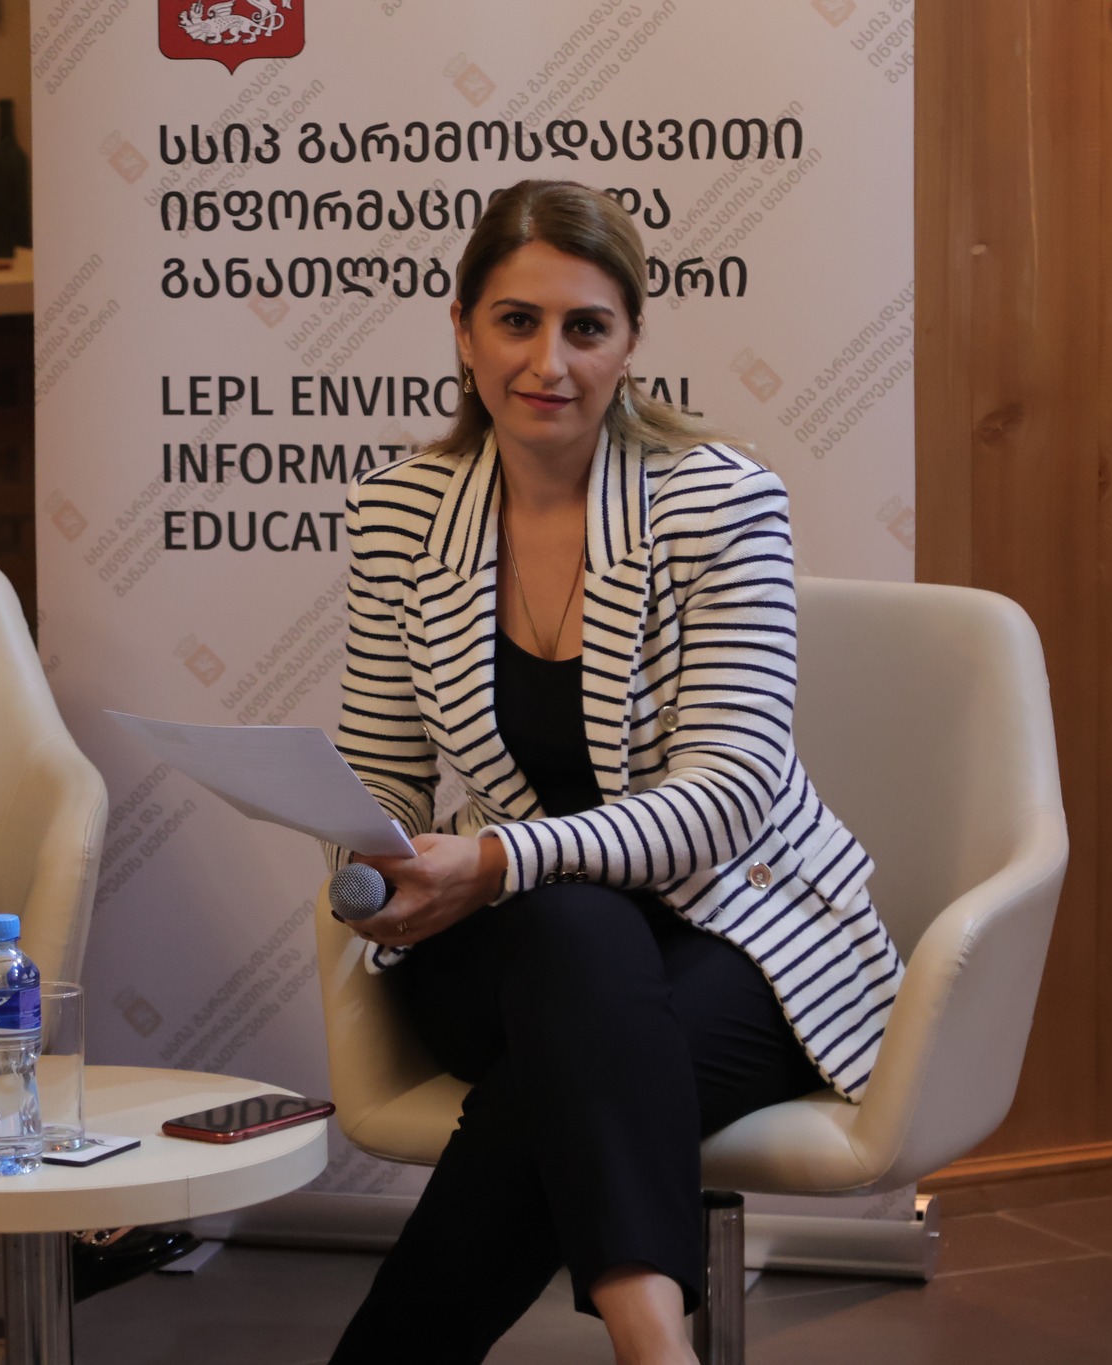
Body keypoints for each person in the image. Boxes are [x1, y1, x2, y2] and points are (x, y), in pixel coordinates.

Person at [322, 180, 904, 1365]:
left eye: (584, 327)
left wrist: (496, 859)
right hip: (504, 951)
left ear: (629, 341)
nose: (549, 362)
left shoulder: (719, 502)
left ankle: (640, 1346)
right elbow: (382, 776)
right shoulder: (397, 514)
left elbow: (727, 794)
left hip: (739, 936)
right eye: (515, 321)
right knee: (571, 932)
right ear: (462, 330)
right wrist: (371, 869)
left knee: (545, 1088)